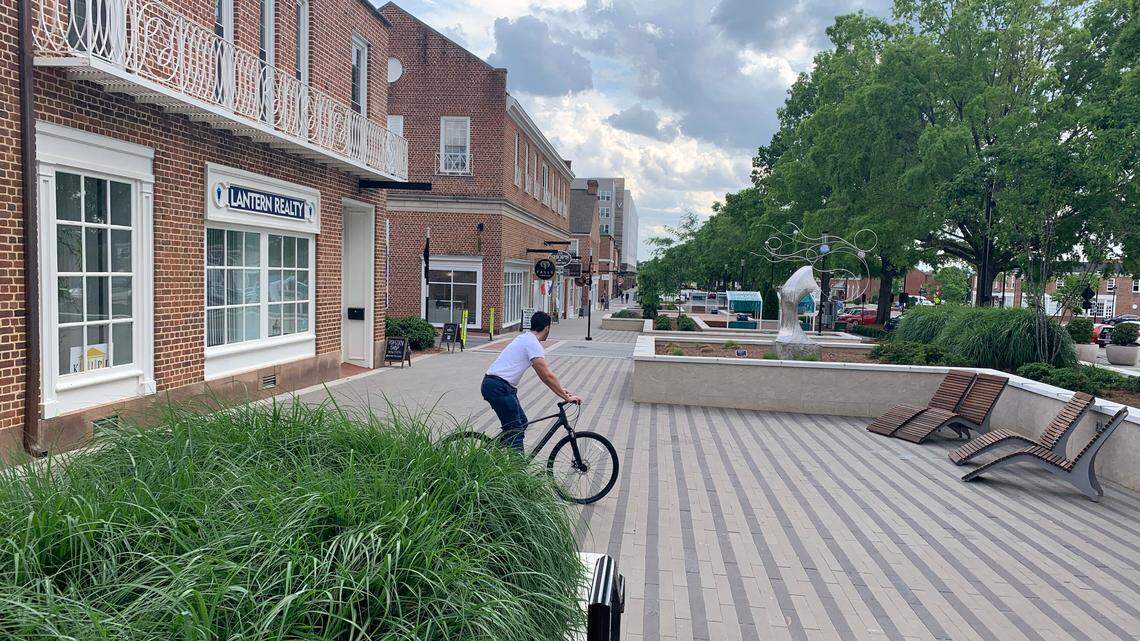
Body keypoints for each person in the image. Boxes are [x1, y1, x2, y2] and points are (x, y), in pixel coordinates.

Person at [482, 311, 581, 451]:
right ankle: (517, 471)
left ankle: (492, 456)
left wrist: (561, 389)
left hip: (499, 385)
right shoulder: (532, 343)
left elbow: (545, 376)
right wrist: (566, 397)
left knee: (521, 423)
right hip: (498, 387)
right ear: (547, 328)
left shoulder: (526, 338)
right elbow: (546, 375)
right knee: (515, 431)